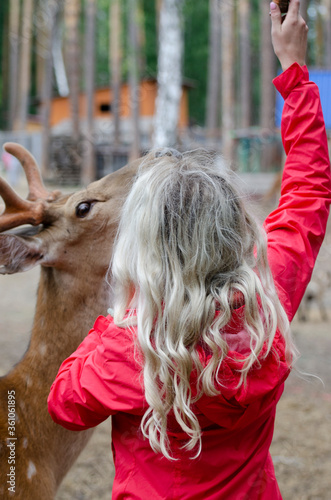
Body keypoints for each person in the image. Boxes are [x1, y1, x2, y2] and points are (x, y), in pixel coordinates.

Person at [48, 1, 331, 499]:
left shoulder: (126, 348)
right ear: (235, 226)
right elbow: (308, 192)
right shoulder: (268, 303)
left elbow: (64, 404)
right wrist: (293, 70)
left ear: (145, 247)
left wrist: (116, 319)